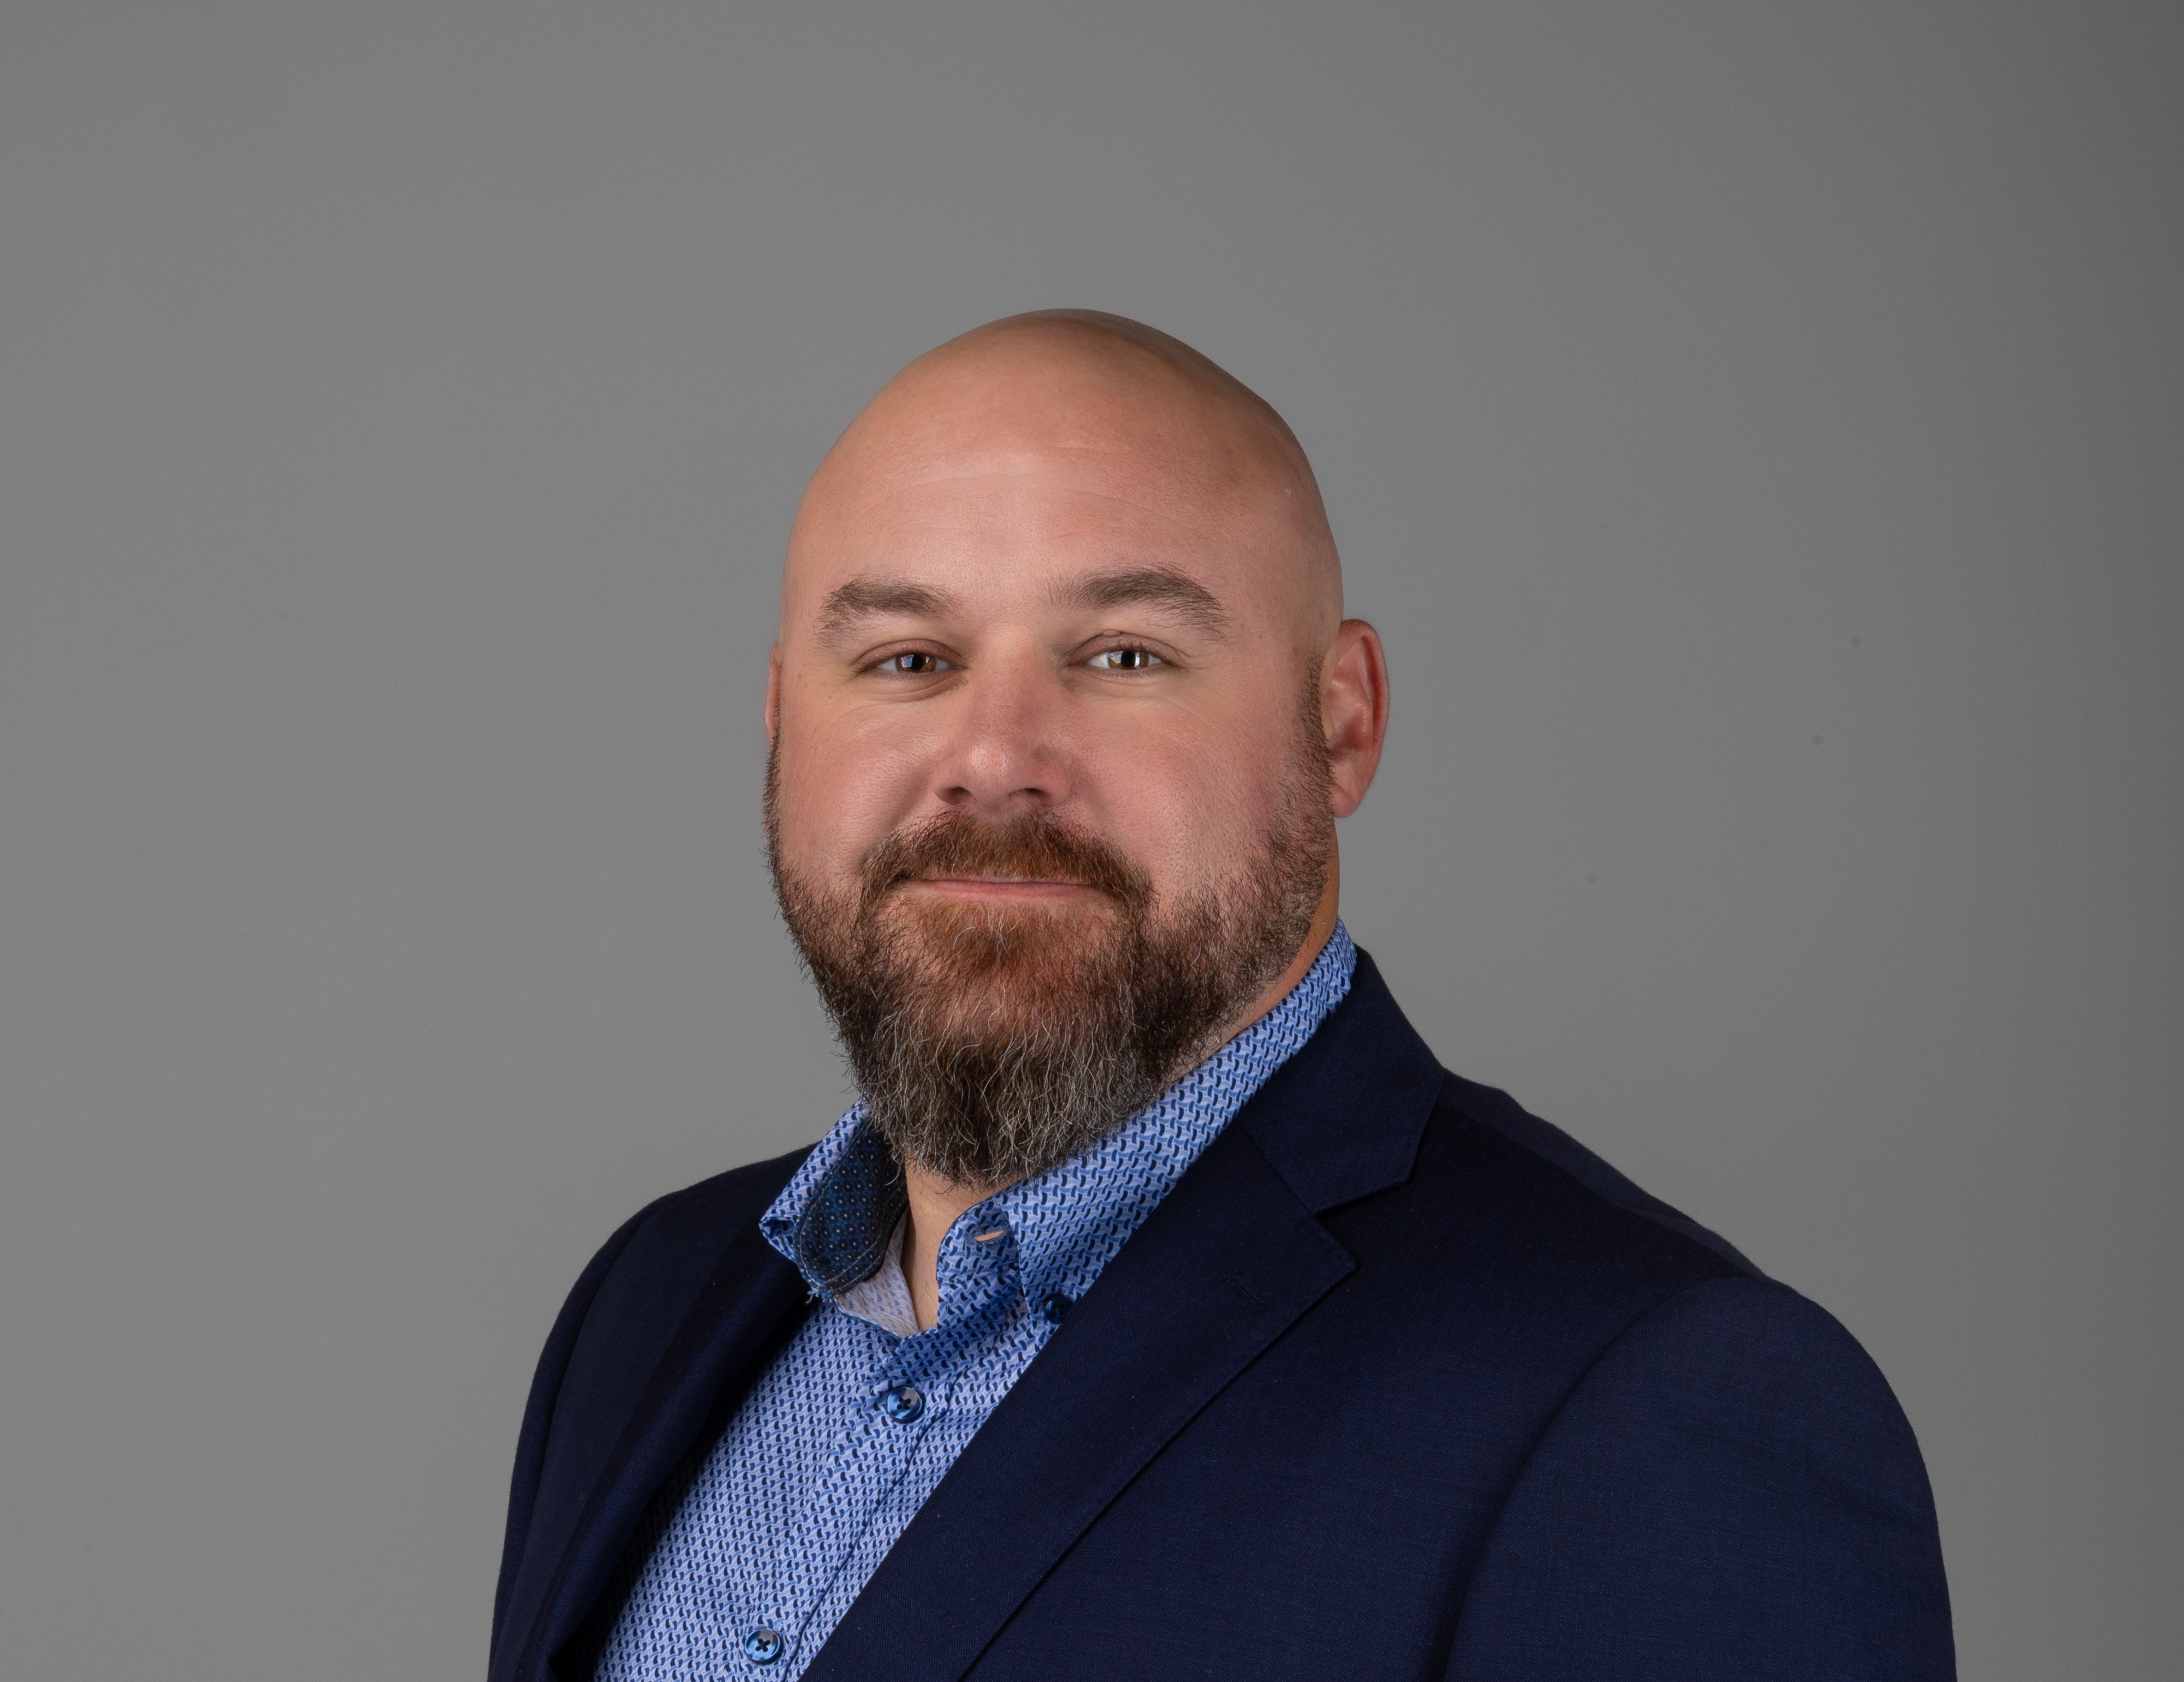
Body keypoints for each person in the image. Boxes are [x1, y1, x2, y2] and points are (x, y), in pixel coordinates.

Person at [488, 311, 1954, 1682]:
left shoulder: (1661, 1410)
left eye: (1124, 654)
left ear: (1343, 722)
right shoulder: (644, 1306)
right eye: (907, 659)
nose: (995, 756)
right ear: (781, 719)